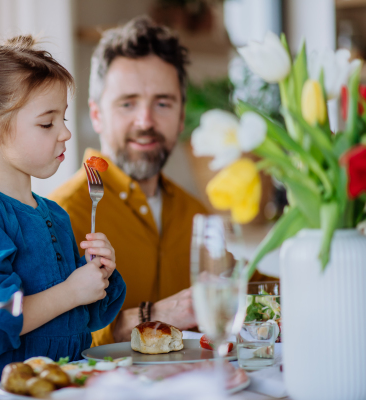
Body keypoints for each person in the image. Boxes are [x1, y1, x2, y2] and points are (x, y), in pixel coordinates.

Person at [49, 16, 271, 347]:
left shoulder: (195, 213)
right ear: (96, 114)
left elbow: (258, 292)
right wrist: (149, 316)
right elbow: (48, 341)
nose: (146, 121)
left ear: (182, 117)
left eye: (163, 103)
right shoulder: (58, 217)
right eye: (128, 103)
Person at [0, 36, 127, 395]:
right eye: (46, 123)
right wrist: (71, 291)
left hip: (66, 384)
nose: (66, 133)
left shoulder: (55, 213)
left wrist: (98, 274)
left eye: (64, 119)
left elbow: (87, 317)